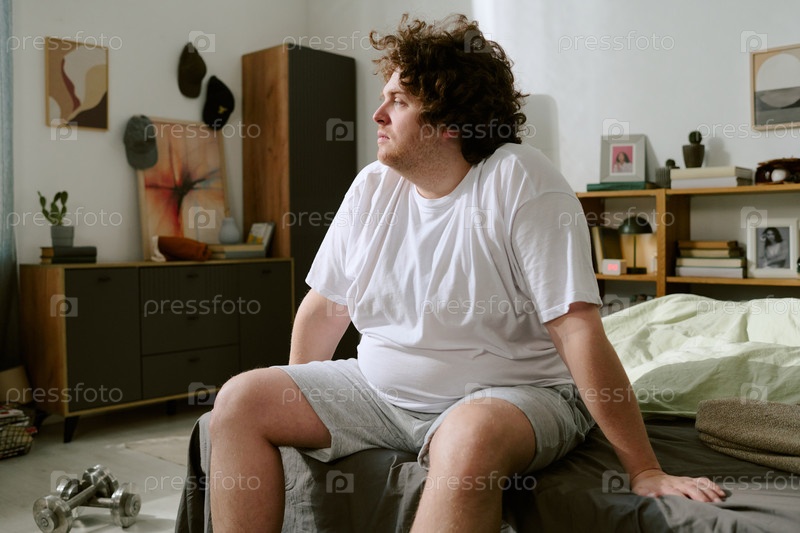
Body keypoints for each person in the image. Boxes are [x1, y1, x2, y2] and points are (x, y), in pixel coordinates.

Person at [207, 14, 725, 532]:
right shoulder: (371, 187)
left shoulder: (520, 179)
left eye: (399, 102)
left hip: (516, 395)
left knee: (469, 435)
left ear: (450, 122)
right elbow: (324, 309)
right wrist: (303, 399)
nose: (378, 115)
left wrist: (644, 468)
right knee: (239, 401)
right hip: (380, 394)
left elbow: (577, 331)